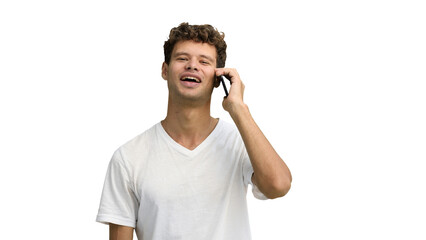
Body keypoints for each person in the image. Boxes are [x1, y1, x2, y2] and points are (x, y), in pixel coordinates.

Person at [96, 22, 292, 240]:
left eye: (204, 61)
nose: (192, 65)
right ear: (165, 70)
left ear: (219, 78)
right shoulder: (129, 157)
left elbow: (278, 186)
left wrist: (239, 109)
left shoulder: (239, 143)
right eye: (182, 58)